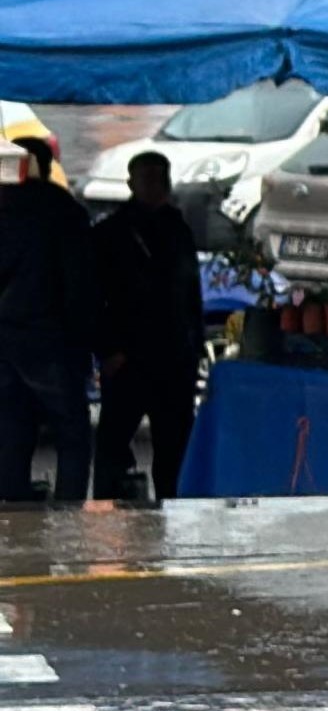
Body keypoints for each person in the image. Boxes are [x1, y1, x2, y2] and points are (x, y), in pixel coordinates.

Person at [90, 149, 204, 502]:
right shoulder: (110, 234)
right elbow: (92, 298)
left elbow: (191, 294)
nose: (156, 187)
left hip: (173, 358)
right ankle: (105, 520)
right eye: (148, 179)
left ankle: (171, 516)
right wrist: (108, 351)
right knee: (112, 446)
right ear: (131, 184)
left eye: (162, 179)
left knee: (174, 450)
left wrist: (193, 348)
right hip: (128, 360)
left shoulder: (178, 228)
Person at [0, 136, 98, 504]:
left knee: (11, 429)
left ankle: (12, 508)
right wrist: (85, 342)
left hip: (6, 338)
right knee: (72, 432)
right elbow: (80, 282)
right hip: (51, 340)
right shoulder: (63, 210)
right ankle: (69, 508)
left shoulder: (3, 207)